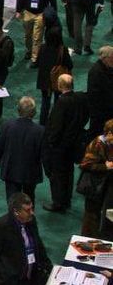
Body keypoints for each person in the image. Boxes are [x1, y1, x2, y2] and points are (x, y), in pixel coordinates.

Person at [0, 192, 52, 285]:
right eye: (27, 210)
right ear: (16, 211)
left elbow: (39, 245)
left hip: (32, 277)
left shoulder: (31, 220)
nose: (32, 213)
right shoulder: (0, 226)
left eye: (32, 208)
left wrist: (49, 268)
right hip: (12, 281)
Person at [43, 74, 89, 213]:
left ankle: (58, 202)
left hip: (60, 146)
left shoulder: (61, 102)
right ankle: (66, 200)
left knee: (57, 174)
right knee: (68, 173)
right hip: (73, 143)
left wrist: (51, 142)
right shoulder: (80, 98)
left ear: (59, 85)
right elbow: (85, 116)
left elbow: (56, 126)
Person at [0, 97, 45, 205]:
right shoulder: (40, 131)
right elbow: (43, 154)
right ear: (34, 113)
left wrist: (0, 163)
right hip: (30, 172)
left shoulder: (7, 126)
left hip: (11, 169)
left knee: (12, 200)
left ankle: (13, 215)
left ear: (18, 110)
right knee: (29, 198)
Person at [78, 118, 113, 236]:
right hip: (94, 185)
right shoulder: (97, 144)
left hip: (107, 186)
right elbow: (85, 164)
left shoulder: (110, 143)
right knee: (91, 216)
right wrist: (105, 166)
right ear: (109, 133)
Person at [19, 0, 56, 64]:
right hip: (28, 13)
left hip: (40, 14)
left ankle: (35, 58)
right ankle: (29, 50)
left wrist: (54, 13)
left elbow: (53, 0)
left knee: (37, 37)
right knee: (27, 36)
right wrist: (18, 11)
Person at [35, 26, 71, 125]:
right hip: (58, 80)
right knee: (58, 103)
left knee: (45, 104)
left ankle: (42, 124)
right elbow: (69, 64)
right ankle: (55, 123)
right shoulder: (62, 49)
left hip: (44, 80)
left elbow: (37, 63)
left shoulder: (42, 47)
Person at [87, 47, 113, 136]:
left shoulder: (108, 67)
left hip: (107, 110)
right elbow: (95, 96)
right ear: (105, 58)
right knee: (97, 134)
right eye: (112, 57)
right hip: (100, 113)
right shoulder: (96, 72)